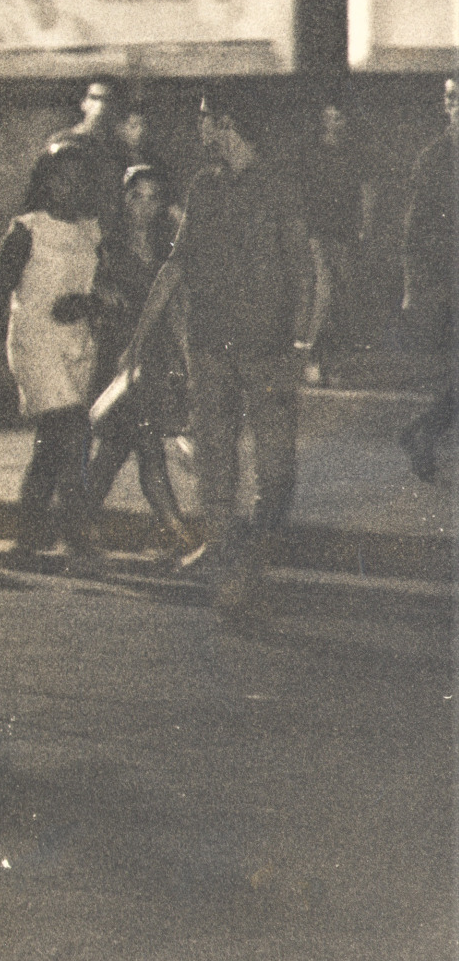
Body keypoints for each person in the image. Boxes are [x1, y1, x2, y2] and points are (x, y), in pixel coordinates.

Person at [135, 87, 313, 618]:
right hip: (212, 344)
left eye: (206, 118)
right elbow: (177, 263)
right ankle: (225, 552)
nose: (200, 127)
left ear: (228, 123)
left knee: (276, 463)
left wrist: (302, 342)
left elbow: (304, 270)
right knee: (215, 455)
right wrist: (140, 336)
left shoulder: (278, 187)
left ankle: (255, 551)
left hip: (269, 346)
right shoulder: (202, 187)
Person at [0, 144, 104, 555]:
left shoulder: (92, 231)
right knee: (72, 430)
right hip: (34, 340)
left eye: (79, 178)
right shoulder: (26, 229)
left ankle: (27, 535)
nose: (70, 186)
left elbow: (99, 291)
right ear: (46, 182)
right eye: (60, 177)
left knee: (53, 440)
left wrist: (87, 304)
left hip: (77, 344)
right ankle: (77, 534)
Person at [81, 165, 194, 557]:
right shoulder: (107, 247)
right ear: (124, 198)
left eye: (153, 198)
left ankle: (81, 521)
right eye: (136, 196)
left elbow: (178, 307)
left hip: (157, 355)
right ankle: (176, 530)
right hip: (121, 355)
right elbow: (90, 292)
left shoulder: (168, 250)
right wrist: (101, 293)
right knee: (137, 446)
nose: (143, 206)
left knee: (123, 448)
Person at [397, 75, 458, 483]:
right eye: (451, 99)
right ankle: (422, 429)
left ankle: (420, 429)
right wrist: (411, 286)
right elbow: (412, 231)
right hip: (447, 282)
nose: (453, 107)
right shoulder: (433, 159)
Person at [300, 99, 375, 386]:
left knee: (343, 293)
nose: (333, 122)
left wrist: (364, 227)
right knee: (324, 289)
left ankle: (331, 361)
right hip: (316, 232)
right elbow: (304, 191)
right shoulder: (313, 152)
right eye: (329, 116)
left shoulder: (353, 153)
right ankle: (307, 356)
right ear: (322, 119)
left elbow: (367, 191)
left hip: (343, 232)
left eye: (339, 117)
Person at [47, 77, 127, 230]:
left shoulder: (116, 147)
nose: (100, 105)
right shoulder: (62, 140)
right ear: (83, 103)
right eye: (94, 98)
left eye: (106, 99)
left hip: (103, 221)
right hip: (68, 221)